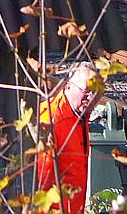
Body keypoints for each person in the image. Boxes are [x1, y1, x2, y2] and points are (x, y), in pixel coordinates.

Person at [34, 62, 100, 214]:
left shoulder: (79, 115)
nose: (91, 98)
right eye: (87, 90)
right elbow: (41, 182)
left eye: (96, 91)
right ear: (69, 86)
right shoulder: (52, 122)